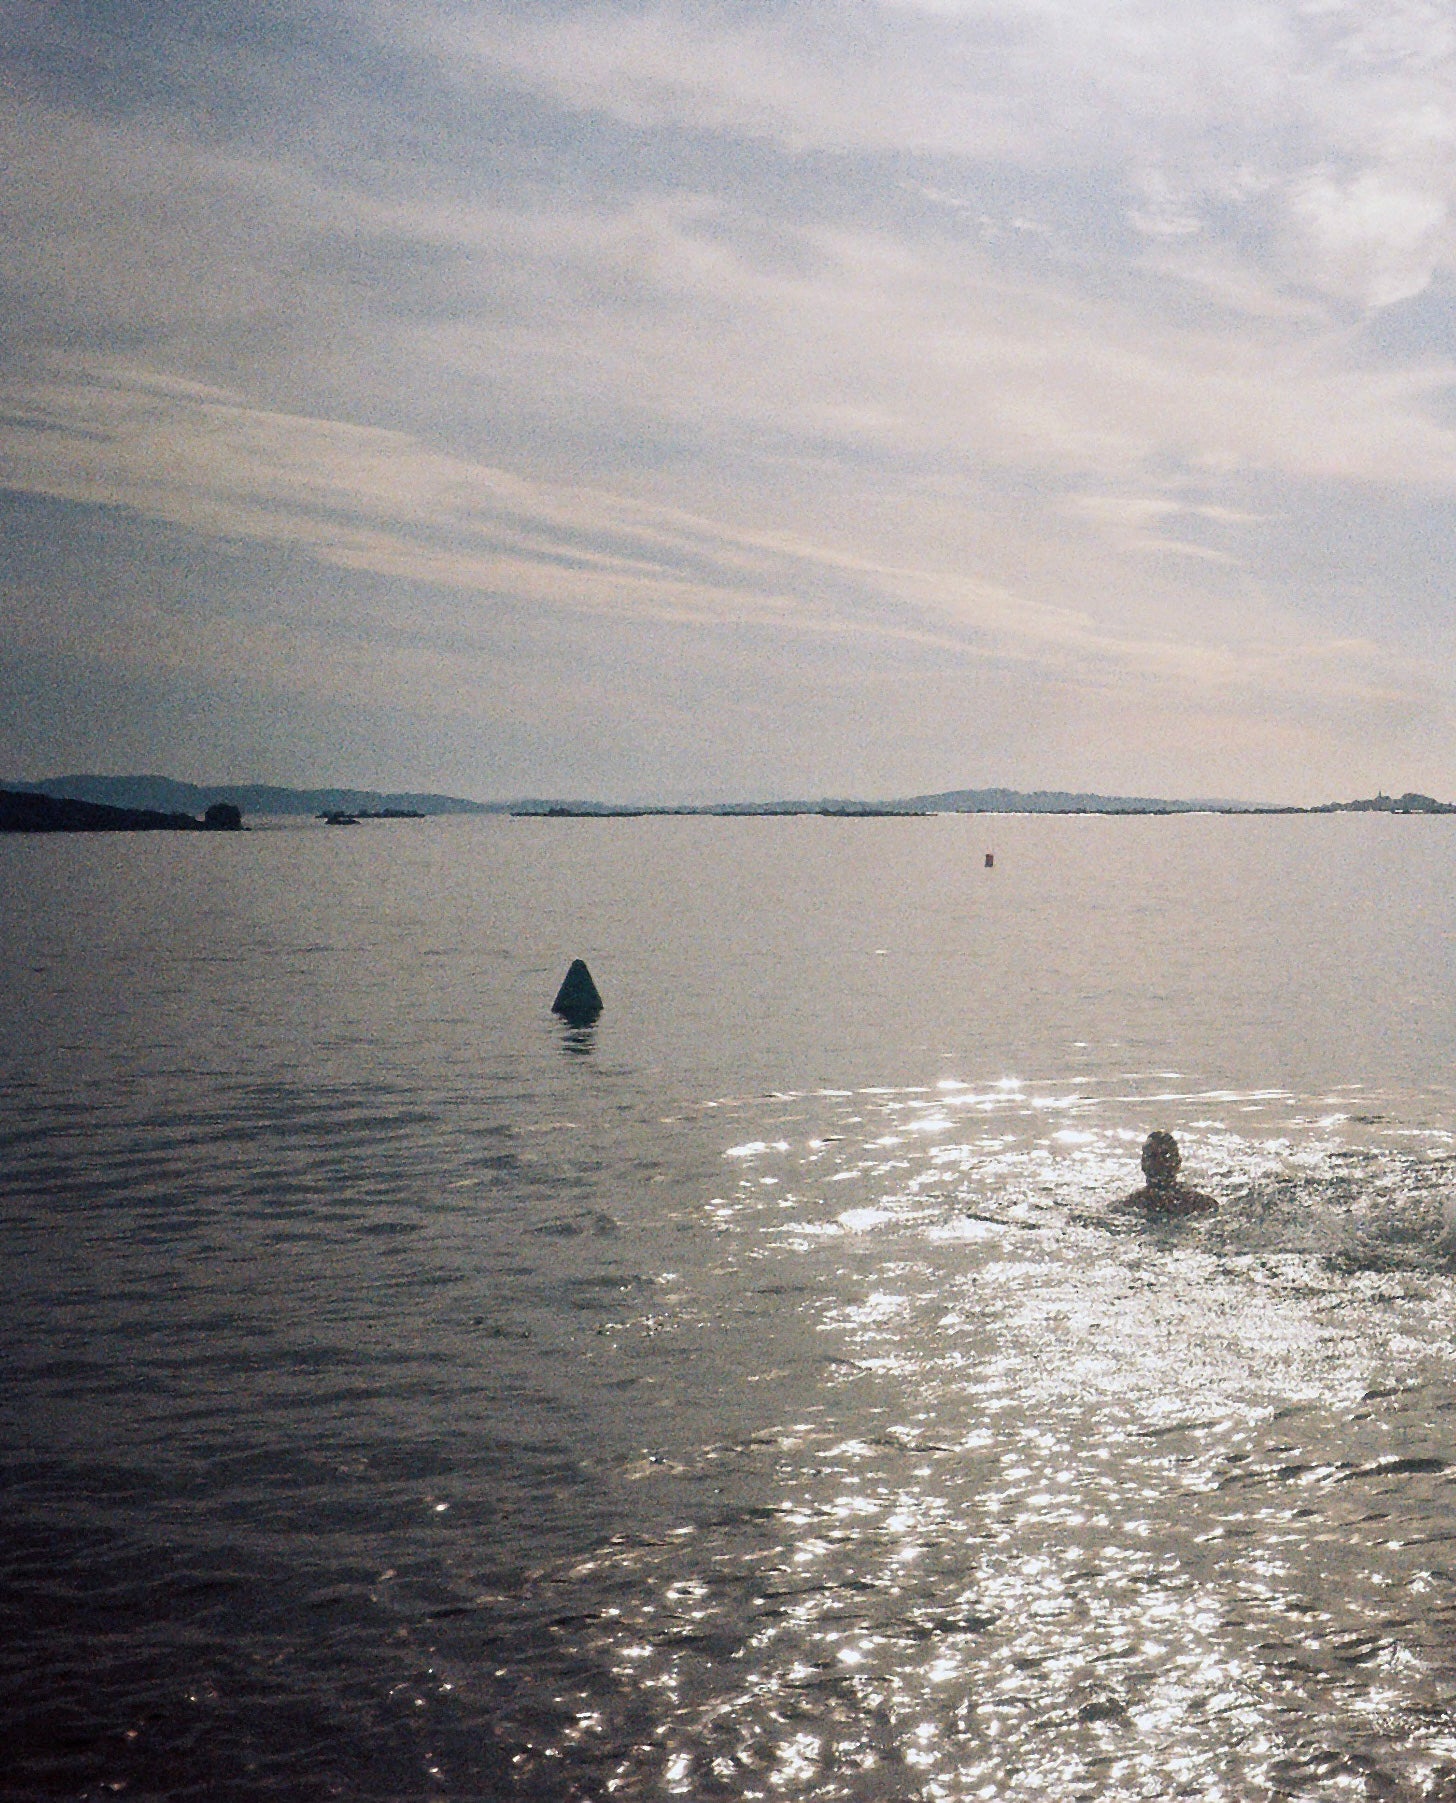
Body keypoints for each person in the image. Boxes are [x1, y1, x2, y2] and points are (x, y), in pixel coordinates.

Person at [1123, 1131, 1216, 1215]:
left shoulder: (1198, 1202)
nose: (1159, 1162)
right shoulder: (1198, 1202)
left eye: (1165, 1156)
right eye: (1153, 1156)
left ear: (1178, 1162)